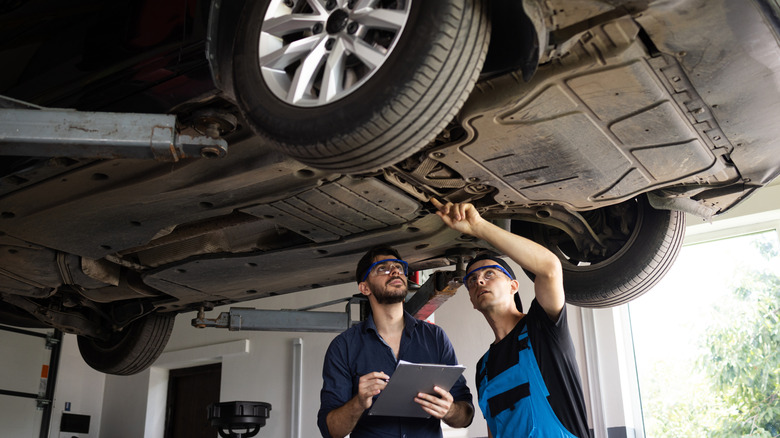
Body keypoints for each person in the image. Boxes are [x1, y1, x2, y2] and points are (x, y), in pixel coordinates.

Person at [432, 199, 590, 438]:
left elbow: (549, 267)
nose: (479, 282)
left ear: (513, 286)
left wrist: (478, 226)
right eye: (472, 281)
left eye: (489, 274)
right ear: (473, 302)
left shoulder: (543, 328)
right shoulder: (483, 368)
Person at [317, 245, 475, 438]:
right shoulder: (344, 347)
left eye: (399, 267)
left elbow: (466, 414)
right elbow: (331, 431)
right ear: (364, 287)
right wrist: (359, 402)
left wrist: (449, 410)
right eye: (382, 268)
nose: (394, 271)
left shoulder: (435, 338)